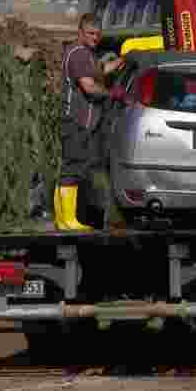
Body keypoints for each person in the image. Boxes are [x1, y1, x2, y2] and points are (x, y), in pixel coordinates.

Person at [53, 12, 128, 232]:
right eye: (91, 33)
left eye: (98, 34)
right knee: (72, 168)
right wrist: (111, 94)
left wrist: (122, 61)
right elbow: (89, 86)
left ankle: (64, 219)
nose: (95, 37)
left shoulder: (87, 54)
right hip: (75, 120)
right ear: (80, 33)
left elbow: (99, 71)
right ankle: (67, 221)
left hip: (79, 121)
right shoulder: (78, 54)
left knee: (72, 167)